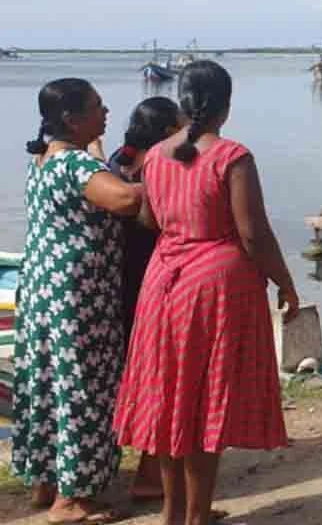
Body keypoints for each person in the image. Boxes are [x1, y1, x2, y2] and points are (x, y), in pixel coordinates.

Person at [114, 61, 301, 525]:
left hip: (163, 281)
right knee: (203, 403)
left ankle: (172, 513)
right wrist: (285, 282)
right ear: (226, 106)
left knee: (170, 397)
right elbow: (253, 233)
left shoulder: (154, 156)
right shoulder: (232, 156)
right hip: (214, 286)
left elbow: (150, 220)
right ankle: (196, 516)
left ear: (182, 102)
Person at [13, 79, 142, 524]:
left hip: (43, 290)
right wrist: (169, 179)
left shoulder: (42, 160)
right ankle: (72, 500)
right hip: (79, 297)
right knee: (82, 388)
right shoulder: (75, 165)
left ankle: (46, 481)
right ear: (71, 118)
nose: (106, 112)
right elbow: (124, 200)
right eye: (97, 106)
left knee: (48, 385)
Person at [107, 97, 183, 503]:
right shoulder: (162, 166)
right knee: (162, 377)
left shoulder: (117, 163)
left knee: (134, 376)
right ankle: (151, 473)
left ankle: (142, 465)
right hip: (154, 283)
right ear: (169, 131)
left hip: (117, 284)